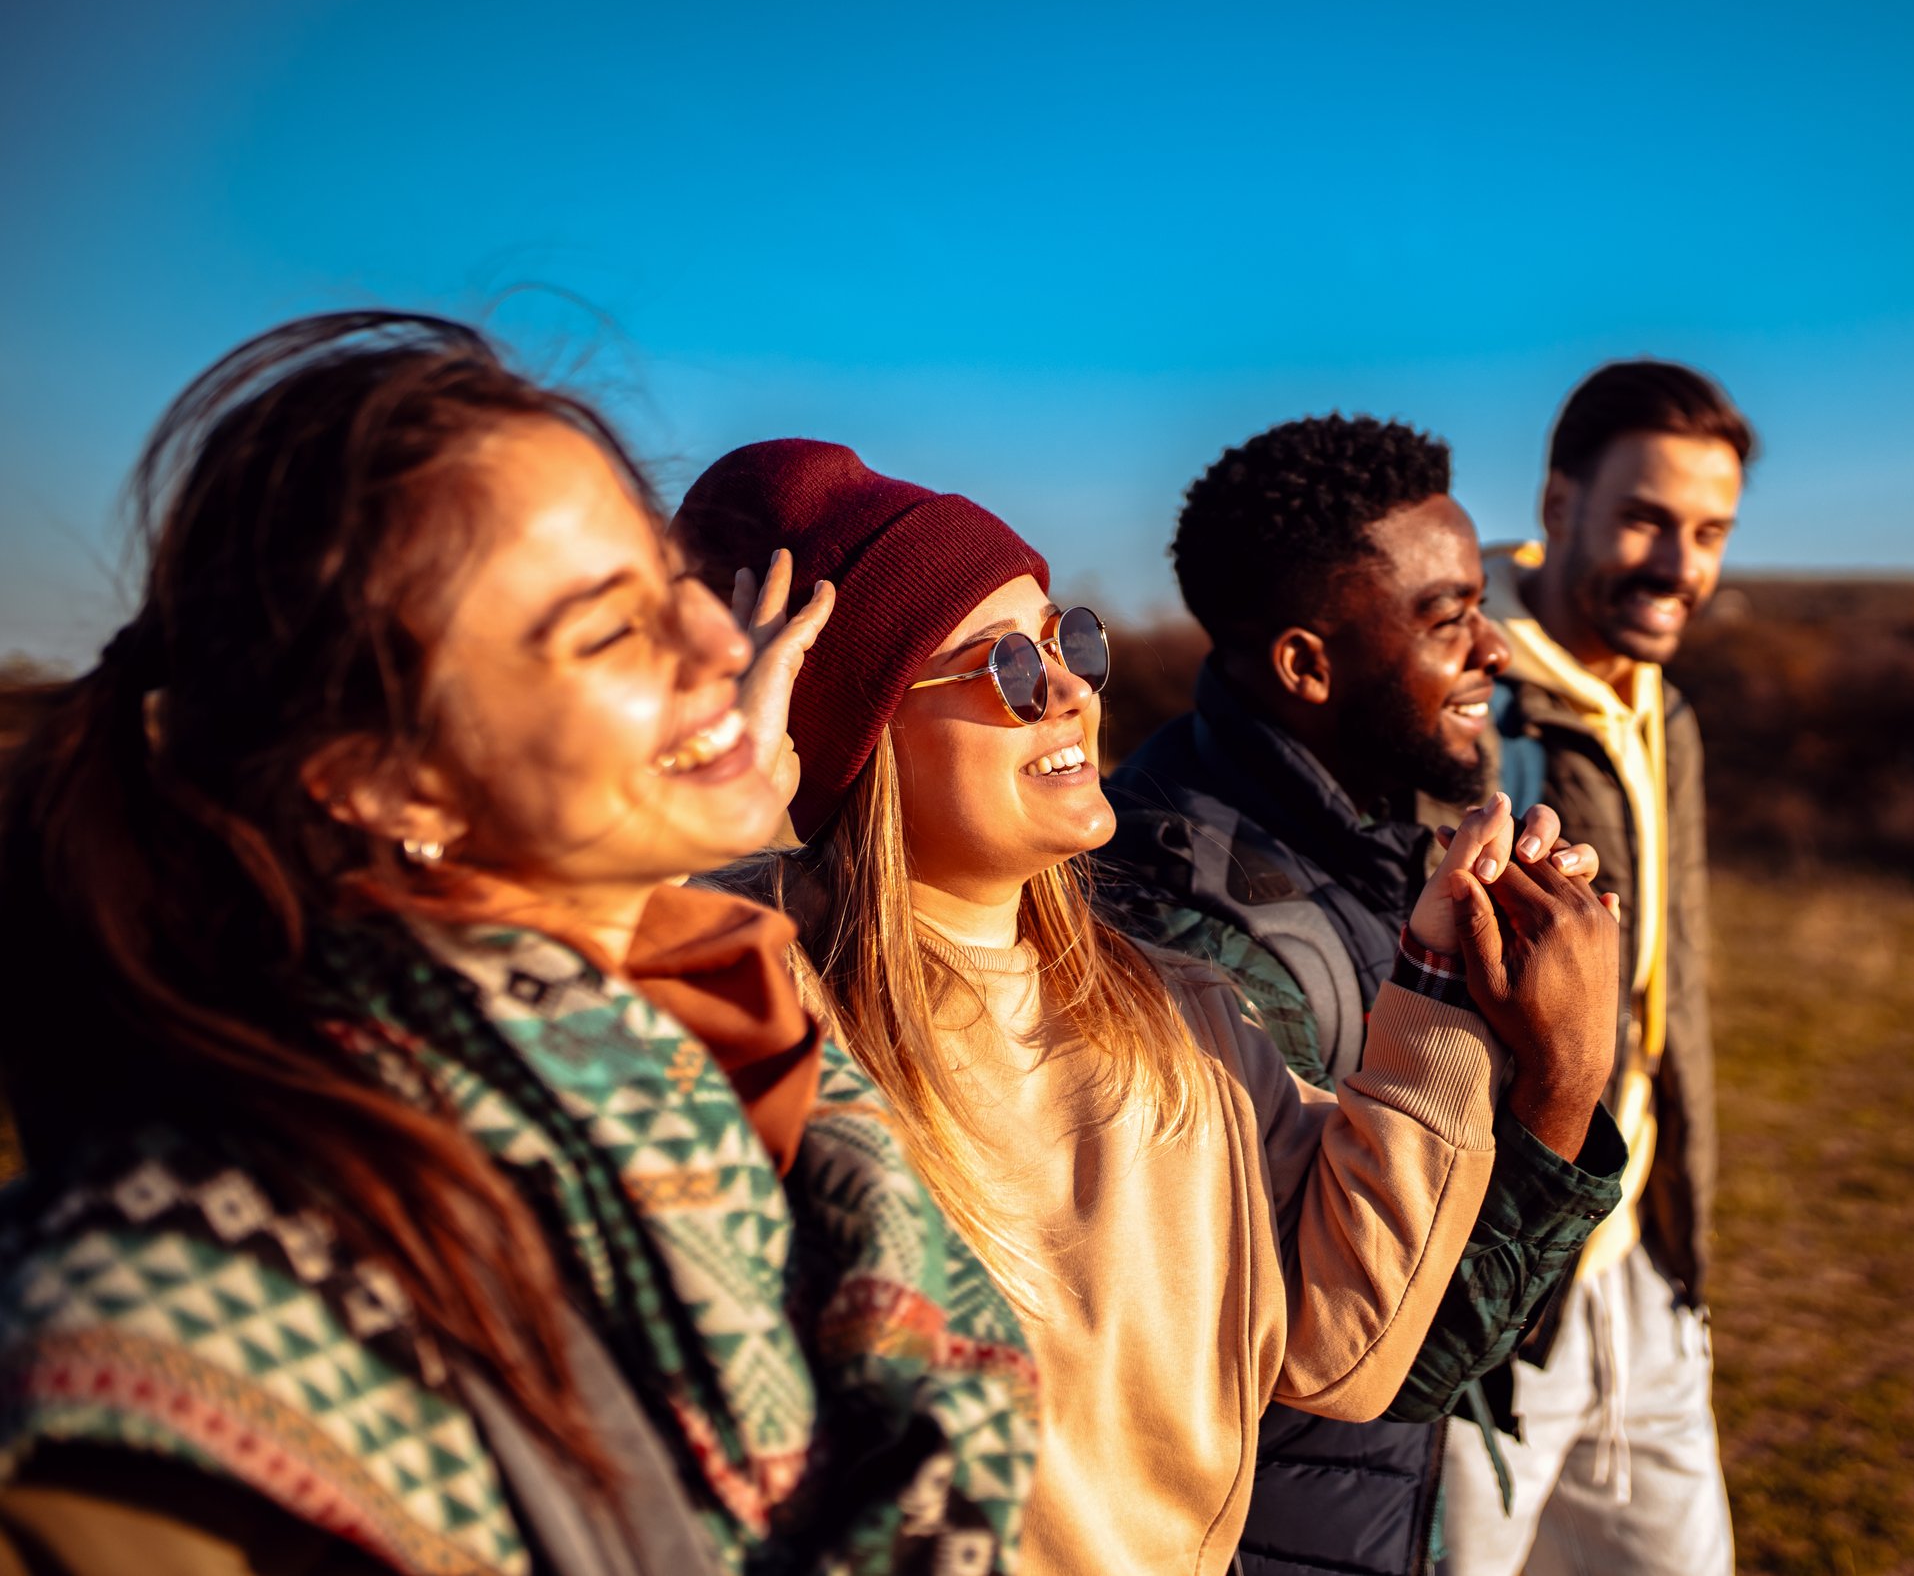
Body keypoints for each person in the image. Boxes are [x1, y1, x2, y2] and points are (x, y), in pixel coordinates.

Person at [0, 313, 1025, 1576]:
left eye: (671, 587)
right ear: (387, 784)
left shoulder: (737, 1036)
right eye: (608, 631)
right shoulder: (185, 1297)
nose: (724, 644)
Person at [672, 439, 1624, 1576]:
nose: (1073, 688)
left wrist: (1443, 988)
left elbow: (1344, 1351)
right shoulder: (754, 1008)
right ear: (853, 735)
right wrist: (709, 823)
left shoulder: (1175, 1015)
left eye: (1068, 640)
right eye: (1007, 668)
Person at [1096, 415, 1629, 1576]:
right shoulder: (1197, 934)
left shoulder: (1365, 833)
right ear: (1306, 665)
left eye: (1482, 604)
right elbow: (1377, 1355)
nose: (1497, 650)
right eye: (1449, 619)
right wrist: (1566, 1080)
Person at [1436, 361, 1752, 1576]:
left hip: (1647, 1279)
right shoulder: (1468, 705)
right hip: (1494, 1302)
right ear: (1559, 504)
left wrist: (1680, 1251)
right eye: (1645, 518)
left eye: (1711, 532)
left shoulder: (1659, 704)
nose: (1681, 565)